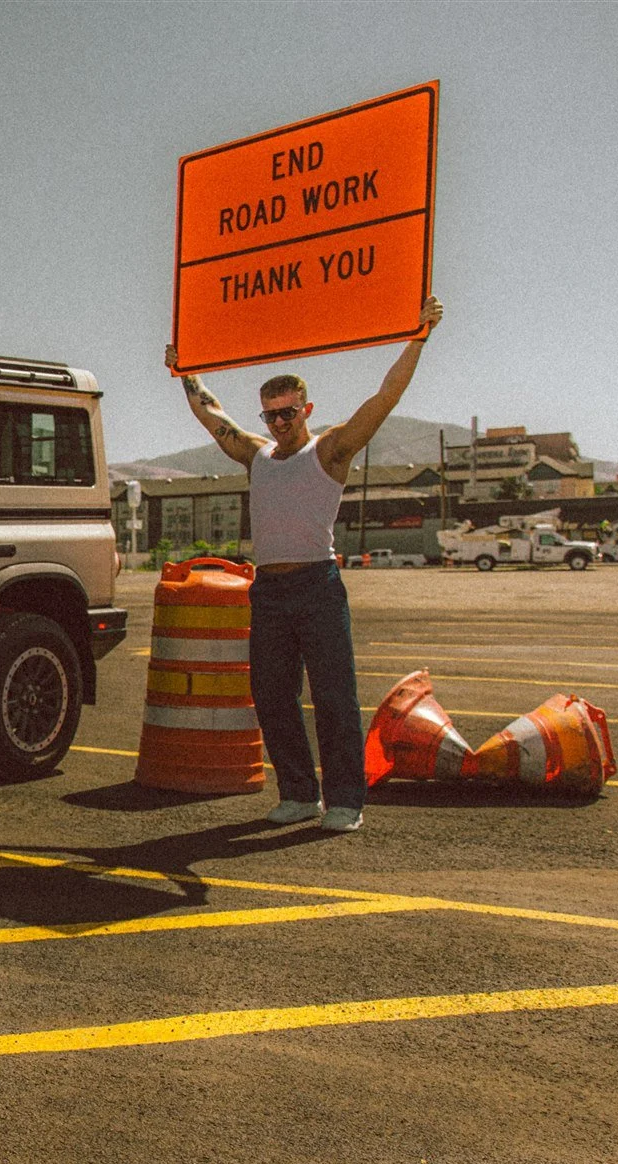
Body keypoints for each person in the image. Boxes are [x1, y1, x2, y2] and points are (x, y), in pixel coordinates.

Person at [166, 297, 444, 832]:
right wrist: (186, 371)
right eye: (269, 414)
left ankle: (345, 801)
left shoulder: (331, 452)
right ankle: (298, 793)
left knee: (334, 695)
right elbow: (212, 416)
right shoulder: (256, 455)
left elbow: (385, 398)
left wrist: (419, 337)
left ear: (307, 411)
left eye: (287, 413)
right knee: (271, 695)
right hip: (268, 592)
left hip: (318, 586)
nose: (277, 423)